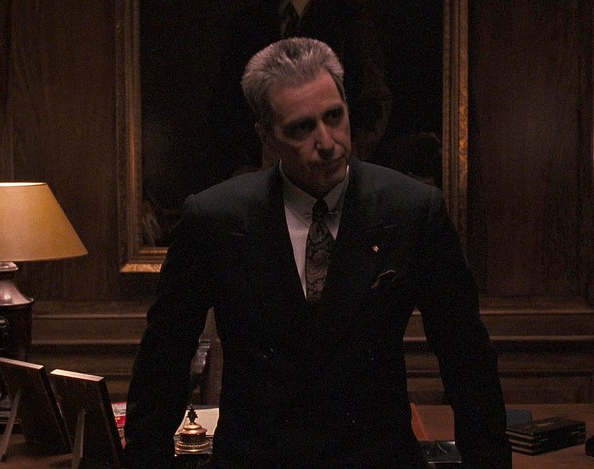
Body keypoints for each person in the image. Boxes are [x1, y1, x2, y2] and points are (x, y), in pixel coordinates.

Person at [125, 37, 511, 468]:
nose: (327, 142)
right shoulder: (216, 218)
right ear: (267, 138)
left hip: (376, 457)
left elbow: (466, 358)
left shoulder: (411, 210)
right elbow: (164, 360)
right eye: (301, 128)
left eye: (334, 116)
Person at [208, 0, 392, 179]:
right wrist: (242, 170)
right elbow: (227, 106)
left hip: (339, 173)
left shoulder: (349, 13)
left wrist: (344, 164)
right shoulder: (249, 19)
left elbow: (374, 102)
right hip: (262, 174)